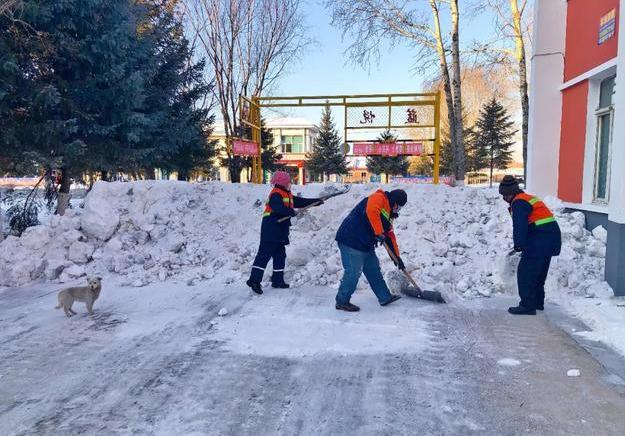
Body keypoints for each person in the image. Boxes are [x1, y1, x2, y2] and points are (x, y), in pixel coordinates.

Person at [246, 171, 323, 295]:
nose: (290, 184)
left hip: (280, 231)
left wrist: (315, 201)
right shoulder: (276, 194)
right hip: (271, 230)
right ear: (282, 183)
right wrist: (291, 212)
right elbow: (278, 207)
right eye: (288, 182)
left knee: (280, 256)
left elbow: (298, 201)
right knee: (264, 256)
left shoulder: (286, 194)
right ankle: (254, 280)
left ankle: (277, 280)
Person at [333, 188, 407, 312]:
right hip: (351, 239)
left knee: (373, 269)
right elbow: (371, 211)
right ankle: (342, 301)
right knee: (353, 272)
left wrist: (397, 257)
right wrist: (379, 232)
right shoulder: (379, 197)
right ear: (395, 202)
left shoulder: (389, 215)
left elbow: (389, 236)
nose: (398, 210)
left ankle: (384, 297)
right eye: (398, 206)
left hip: (365, 244)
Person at [499, 175, 562, 315]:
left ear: (509, 193)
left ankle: (527, 305)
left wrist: (519, 244)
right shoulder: (528, 198)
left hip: (539, 239)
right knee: (539, 273)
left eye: (504, 195)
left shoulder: (519, 203)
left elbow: (520, 225)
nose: (504, 199)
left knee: (526, 272)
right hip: (550, 238)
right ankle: (538, 302)